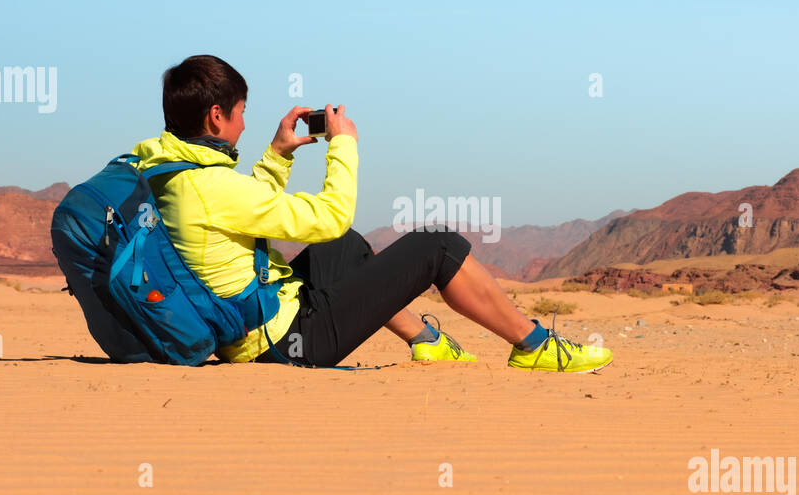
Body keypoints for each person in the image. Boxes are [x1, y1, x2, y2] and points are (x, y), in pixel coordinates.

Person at [131, 55, 613, 372]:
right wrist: (343, 145)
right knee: (435, 245)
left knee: (339, 249)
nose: (242, 122)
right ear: (216, 116)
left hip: (252, 330)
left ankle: (427, 341)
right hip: (288, 343)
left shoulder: (171, 175)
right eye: (239, 112)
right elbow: (330, 213)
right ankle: (535, 347)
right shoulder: (208, 184)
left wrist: (278, 154)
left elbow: (244, 209)